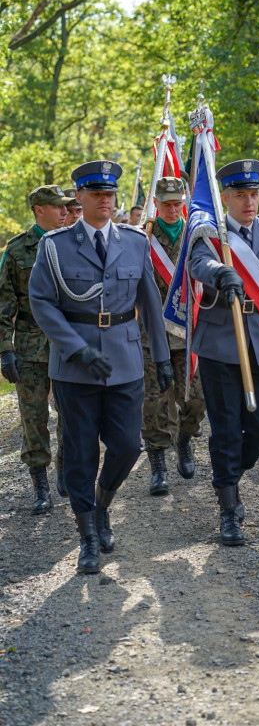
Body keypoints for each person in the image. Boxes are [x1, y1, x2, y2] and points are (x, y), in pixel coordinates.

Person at [29, 160, 172, 574]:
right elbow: (42, 302)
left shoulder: (134, 241)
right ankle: (87, 534)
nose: (105, 200)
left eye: (110, 194)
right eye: (96, 194)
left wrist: (161, 357)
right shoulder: (54, 246)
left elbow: (149, 302)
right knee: (80, 453)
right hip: (75, 370)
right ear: (80, 197)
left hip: (125, 362)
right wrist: (75, 348)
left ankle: (103, 504)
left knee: (128, 446)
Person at [188, 159, 259, 546]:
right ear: (226, 197)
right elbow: (197, 263)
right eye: (240, 195)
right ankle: (229, 509)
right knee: (225, 429)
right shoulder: (210, 229)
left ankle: (231, 474)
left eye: (253, 194)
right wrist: (221, 271)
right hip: (220, 342)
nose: (249, 202)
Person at [0, 185, 71, 513]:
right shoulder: (16, 250)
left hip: (70, 342)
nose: (64, 212)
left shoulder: (72, 242)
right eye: (57, 207)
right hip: (30, 344)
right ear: (39, 210)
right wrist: (5, 350)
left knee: (71, 415)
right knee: (33, 416)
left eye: (65, 207)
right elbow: (4, 302)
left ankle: (65, 465)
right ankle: (39, 484)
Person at [141, 176, 205, 494]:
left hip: (188, 334)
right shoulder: (144, 239)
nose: (171, 209)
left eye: (176, 204)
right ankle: (158, 467)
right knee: (154, 404)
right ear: (156, 203)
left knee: (196, 398)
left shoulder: (196, 236)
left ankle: (184, 437)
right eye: (165, 203)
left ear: (184, 203)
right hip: (151, 337)